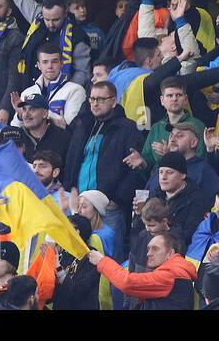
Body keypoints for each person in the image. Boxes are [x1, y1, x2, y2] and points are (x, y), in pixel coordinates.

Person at [64, 80, 144, 261]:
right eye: (92, 99)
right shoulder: (83, 125)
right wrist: (73, 189)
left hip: (109, 209)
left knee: (109, 261)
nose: (95, 103)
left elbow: (135, 169)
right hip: (80, 205)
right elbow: (71, 159)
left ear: (113, 101)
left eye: (100, 99)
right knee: (78, 259)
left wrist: (116, 200)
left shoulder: (127, 128)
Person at [89, 231, 197, 310]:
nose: (148, 253)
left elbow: (127, 282)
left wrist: (101, 261)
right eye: (148, 249)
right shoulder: (176, 271)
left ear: (170, 253)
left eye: (155, 249)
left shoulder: (171, 274)